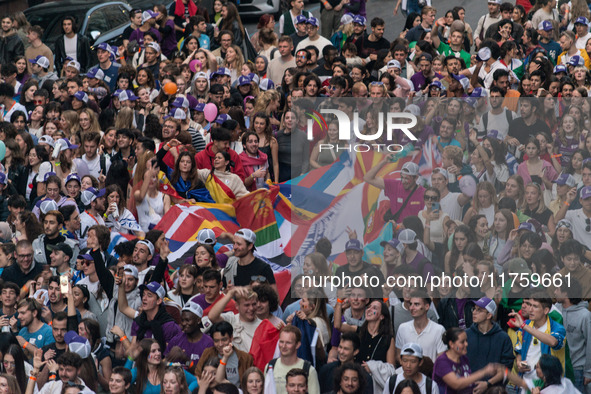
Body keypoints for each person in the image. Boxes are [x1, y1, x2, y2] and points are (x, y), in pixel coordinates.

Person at [465, 297, 514, 390]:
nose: (474, 312)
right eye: (474, 308)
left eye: (479, 310)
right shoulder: (466, 335)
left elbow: (506, 369)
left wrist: (488, 384)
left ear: (489, 315)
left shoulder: (503, 338)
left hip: (493, 390)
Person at [433, 327, 498, 394]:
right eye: (462, 342)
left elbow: (466, 380)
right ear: (451, 344)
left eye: (466, 340)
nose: (466, 344)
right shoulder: (442, 362)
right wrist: (483, 372)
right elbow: (456, 384)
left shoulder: (464, 358)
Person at [264, 326, 321, 394]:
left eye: (288, 343)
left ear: (297, 345)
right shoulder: (270, 366)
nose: (284, 346)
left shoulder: (309, 370)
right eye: (281, 342)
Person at [395, 291, 446, 364]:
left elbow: (441, 358)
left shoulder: (439, 330)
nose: (412, 308)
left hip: (430, 374)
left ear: (426, 307)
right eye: (411, 304)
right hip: (407, 373)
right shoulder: (402, 328)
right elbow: (398, 356)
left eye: (416, 304)